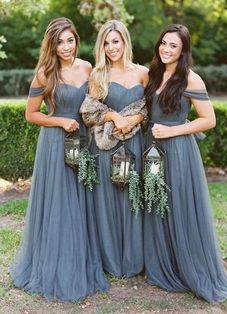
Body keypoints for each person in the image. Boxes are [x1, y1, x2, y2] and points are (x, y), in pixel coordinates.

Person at [10, 17, 108, 301]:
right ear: (51, 45)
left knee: (80, 199)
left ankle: (79, 256)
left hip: (83, 143)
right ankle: (55, 260)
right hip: (56, 143)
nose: (66, 47)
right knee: (60, 201)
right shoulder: (44, 73)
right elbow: (31, 114)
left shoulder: (87, 67)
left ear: (77, 40)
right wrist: (60, 122)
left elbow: (93, 105)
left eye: (70, 40)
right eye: (60, 42)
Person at [144, 24, 227, 303]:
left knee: (179, 206)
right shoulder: (153, 74)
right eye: (164, 43)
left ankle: (188, 267)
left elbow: (209, 120)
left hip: (179, 150)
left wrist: (170, 131)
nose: (167, 49)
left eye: (174, 46)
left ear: (183, 51)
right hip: (153, 149)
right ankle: (162, 262)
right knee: (157, 205)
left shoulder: (191, 79)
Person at [80, 20, 149, 277]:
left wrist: (134, 119)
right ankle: (109, 258)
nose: (111, 48)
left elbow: (150, 108)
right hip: (106, 147)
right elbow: (89, 112)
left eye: (115, 41)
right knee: (108, 200)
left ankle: (134, 259)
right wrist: (113, 117)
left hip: (134, 144)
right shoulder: (98, 75)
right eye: (106, 43)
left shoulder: (143, 72)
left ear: (125, 41)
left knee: (132, 197)